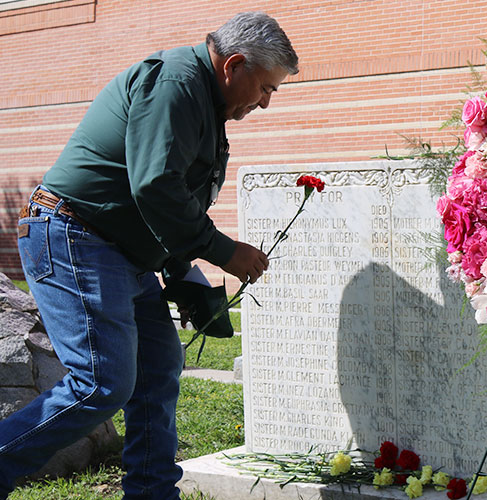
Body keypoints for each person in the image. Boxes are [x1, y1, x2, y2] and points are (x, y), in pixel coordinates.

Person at [0, 12, 298, 500]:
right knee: (102, 383)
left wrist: (182, 271)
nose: (264, 103)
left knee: (158, 369)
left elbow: (163, 197)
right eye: (266, 88)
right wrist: (224, 252)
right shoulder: (177, 84)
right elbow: (155, 186)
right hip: (75, 233)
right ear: (235, 64)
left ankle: (153, 493)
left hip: (118, 249)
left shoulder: (202, 98)